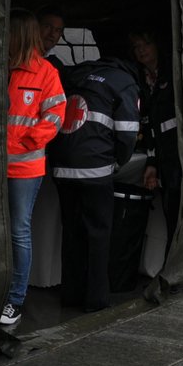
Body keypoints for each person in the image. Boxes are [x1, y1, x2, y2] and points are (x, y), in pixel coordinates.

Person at [48, 47, 142, 313]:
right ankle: (96, 300)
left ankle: (71, 294)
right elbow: (127, 132)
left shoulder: (83, 73)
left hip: (62, 165)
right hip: (95, 170)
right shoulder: (124, 82)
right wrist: (118, 161)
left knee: (72, 232)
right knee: (99, 235)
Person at [0, 9, 66, 331]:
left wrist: (27, 141)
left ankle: (15, 300)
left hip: (25, 169)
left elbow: (55, 117)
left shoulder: (45, 73)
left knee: (18, 231)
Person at [131, 28, 181, 250]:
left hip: (178, 152)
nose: (141, 51)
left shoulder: (173, 72)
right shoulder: (140, 78)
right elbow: (148, 121)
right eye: (136, 47)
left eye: (145, 45)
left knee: (178, 207)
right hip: (161, 151)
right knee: (169, 205)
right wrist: (152, 162)